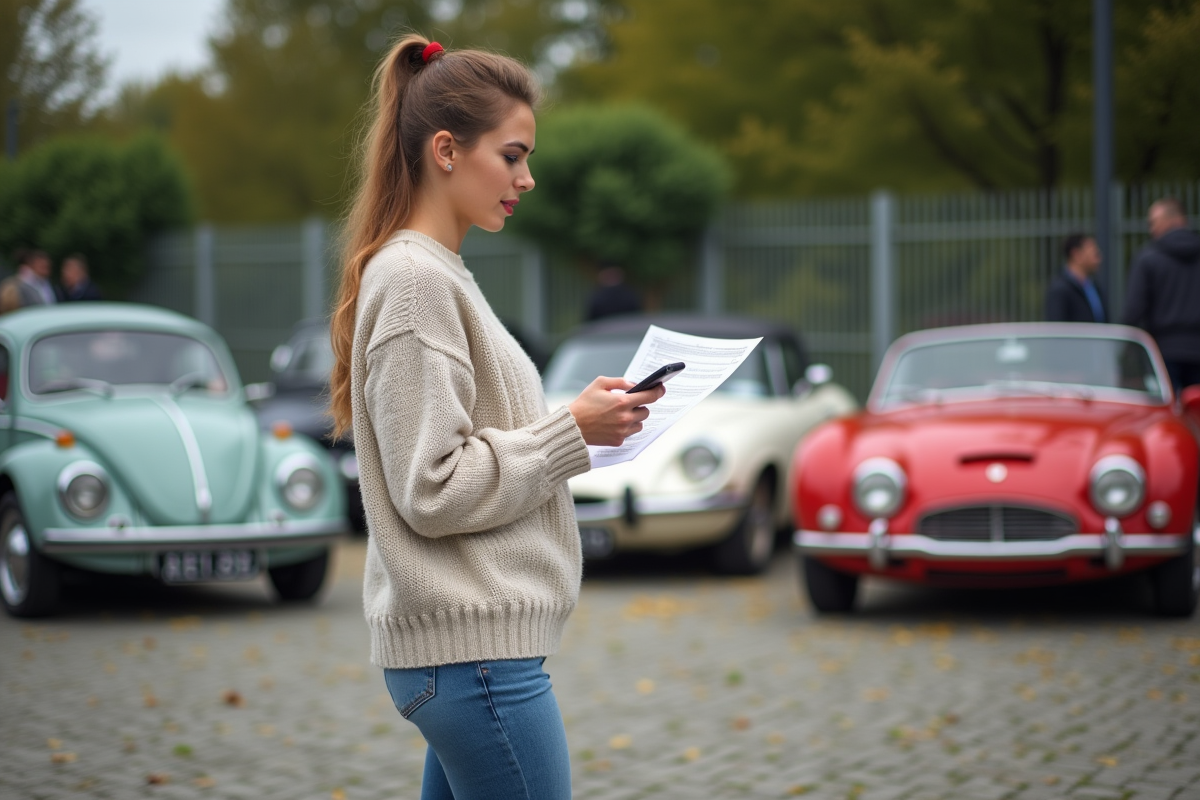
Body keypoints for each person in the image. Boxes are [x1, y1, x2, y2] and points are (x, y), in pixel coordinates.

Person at [326, 37, 665, 800]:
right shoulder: (415, 281)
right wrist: (567, 431)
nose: (527, 177)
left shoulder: (436, 273)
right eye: (512, 156)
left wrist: (587, 420)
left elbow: (468, 440)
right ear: (446, 150)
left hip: (469, 659)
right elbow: (434, 485)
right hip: (473, 662)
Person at [1122, 198, 1200, 394]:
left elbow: (1134, 309)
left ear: (1172, 220)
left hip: (1164, 351)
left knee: (1168, 412)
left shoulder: (1148, 258)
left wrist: (1123, 350)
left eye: (1153, 222)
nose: (1151, 229)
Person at [1045, 233, 1107, 323]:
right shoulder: (1059, 290)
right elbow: (1056, 329)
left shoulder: (1094, 287)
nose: (1099, 259)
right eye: (1094, 253)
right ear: (1076, 254)